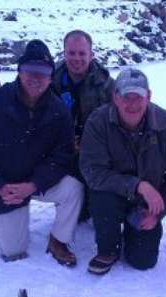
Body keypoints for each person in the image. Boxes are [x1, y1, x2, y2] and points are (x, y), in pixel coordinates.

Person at [0, 40, 83, 266]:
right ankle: (1, 221)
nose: (36, 78)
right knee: (13, 252)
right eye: (30, 70)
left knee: (73, 189)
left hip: (38, 182)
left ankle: (59, 240)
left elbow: (63, 154)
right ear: (19, 71)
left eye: (44, 72)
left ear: (50, 76)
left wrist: (34, 184)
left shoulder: (59, 111)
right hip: (3, 186)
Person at [79, 68, 166, 275]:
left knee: (143, 261)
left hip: (148, 201)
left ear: (148, 96)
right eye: (126, 96)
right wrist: (138, 185)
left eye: (138, 97)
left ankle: (134, 231)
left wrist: (160, 211)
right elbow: (92, 171)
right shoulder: (98, 121)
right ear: (115, 96)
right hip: (113, 194)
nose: (132, 104)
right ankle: (108, 249)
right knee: (102, 198)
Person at [50, 30, 115, 222]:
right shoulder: (51, 82)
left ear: (91, 54)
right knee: (74, 211)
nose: (76, 58)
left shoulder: (107, 85)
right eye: (71, 53)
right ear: (64, 53)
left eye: (81, 53)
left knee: (96, 211)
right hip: (61, 150)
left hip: (97, 153)